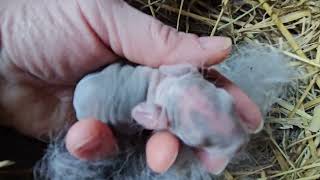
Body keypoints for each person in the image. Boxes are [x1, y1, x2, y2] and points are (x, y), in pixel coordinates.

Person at [0, 0, 262, 174]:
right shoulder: (158, 108)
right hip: (90, 109)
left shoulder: (178, 72)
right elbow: (141, 115)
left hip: (87, 94)